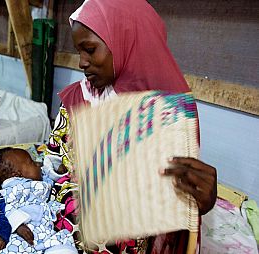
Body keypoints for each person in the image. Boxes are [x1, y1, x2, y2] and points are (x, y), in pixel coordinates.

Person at [44, 0, 217, 253]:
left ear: (125, 41)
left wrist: (198, 203)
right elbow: (55, 165)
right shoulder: (80, 99)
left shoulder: (169, 114)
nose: (81, 63)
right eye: (78, 51)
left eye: (90, 49)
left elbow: (172, 201)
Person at [0, 147, 78, 254]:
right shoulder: (12, 189)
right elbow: (3, 208)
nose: (38, 165)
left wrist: (58, 170)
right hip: (23, 237)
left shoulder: (39, 180)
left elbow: (50, 173)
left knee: (64, 246)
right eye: (32, 163)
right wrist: (17, 225)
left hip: (46, 232)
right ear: (17, 174)